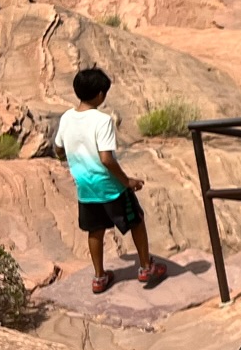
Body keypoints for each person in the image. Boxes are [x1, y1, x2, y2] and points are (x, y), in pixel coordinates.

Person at [54, 67, 167, 293]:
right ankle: (146, 267)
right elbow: (107, 159)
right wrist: (127, 182)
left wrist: (73, 162)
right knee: (136, 220)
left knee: (94, 230)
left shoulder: (67, 117)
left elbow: (58, 149)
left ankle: (99, 277)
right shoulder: (102, 121)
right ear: (100, 95)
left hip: (85, 186)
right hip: (110, 187)